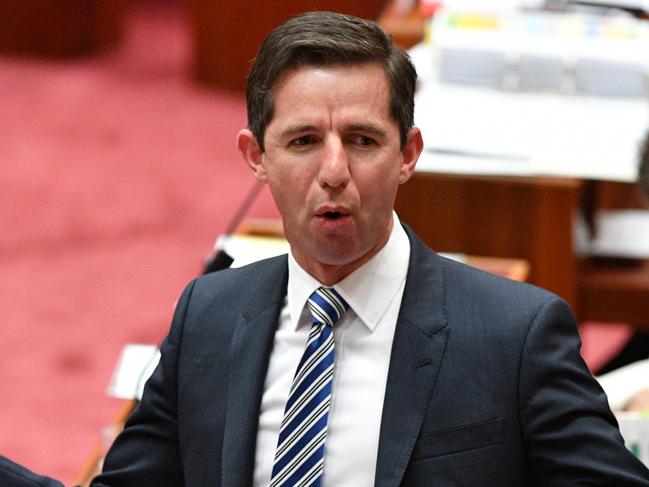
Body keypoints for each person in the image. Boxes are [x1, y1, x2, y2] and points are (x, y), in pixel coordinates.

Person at [11, 11, 645, 487]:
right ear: (257, 156)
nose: (335, 170)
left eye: (364, 140)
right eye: (304, 140)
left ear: (409, 155)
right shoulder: (209, 314)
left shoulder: (514, 335)